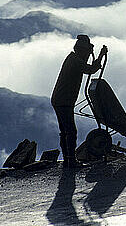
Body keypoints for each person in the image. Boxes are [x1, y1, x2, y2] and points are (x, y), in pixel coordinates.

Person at [51, 35, 107, 167]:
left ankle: (68, 159)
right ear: (81, 50)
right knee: (70, 131)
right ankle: (71, 160)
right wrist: (100, 55)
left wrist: (92, 53)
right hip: (64, 101)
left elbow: (86, 65)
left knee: (64, 131)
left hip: (59, 100)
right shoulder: (75, 61)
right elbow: (90, 69)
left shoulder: (73, 58)